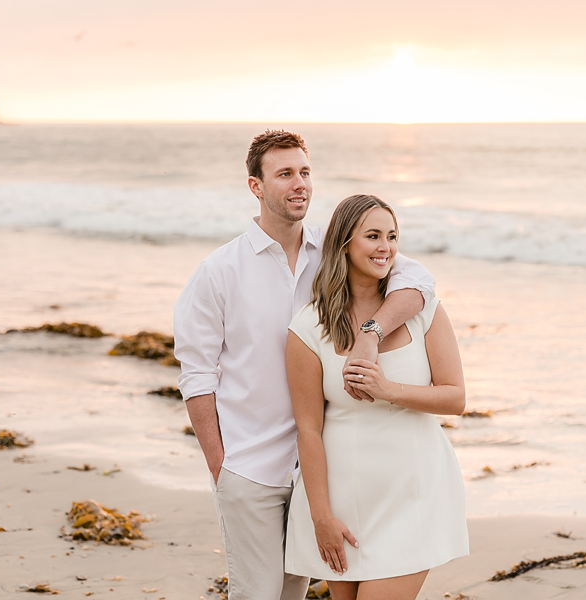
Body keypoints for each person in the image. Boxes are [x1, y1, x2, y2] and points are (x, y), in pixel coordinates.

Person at [172, 131, 436, 600]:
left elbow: (416, 280)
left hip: (321, 470)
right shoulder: (219, 271)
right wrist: (222, 467)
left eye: (306, 172)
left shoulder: (333, 254)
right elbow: (196, 376)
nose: (300, 185)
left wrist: (371, 336)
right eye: (285, 174)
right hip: (251, 467)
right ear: (256, 186)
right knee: (257, 594)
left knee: (292, 594)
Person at [284, 194, 469, 600]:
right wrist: (321, 516)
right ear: (344, 242)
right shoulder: (309, 326)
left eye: (391, 236)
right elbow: (308, 429)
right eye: (372, 236)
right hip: (344, 499)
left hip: (413, 492)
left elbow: (455, 398)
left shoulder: (424, 311)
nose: (385, 247)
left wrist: (387, 390)